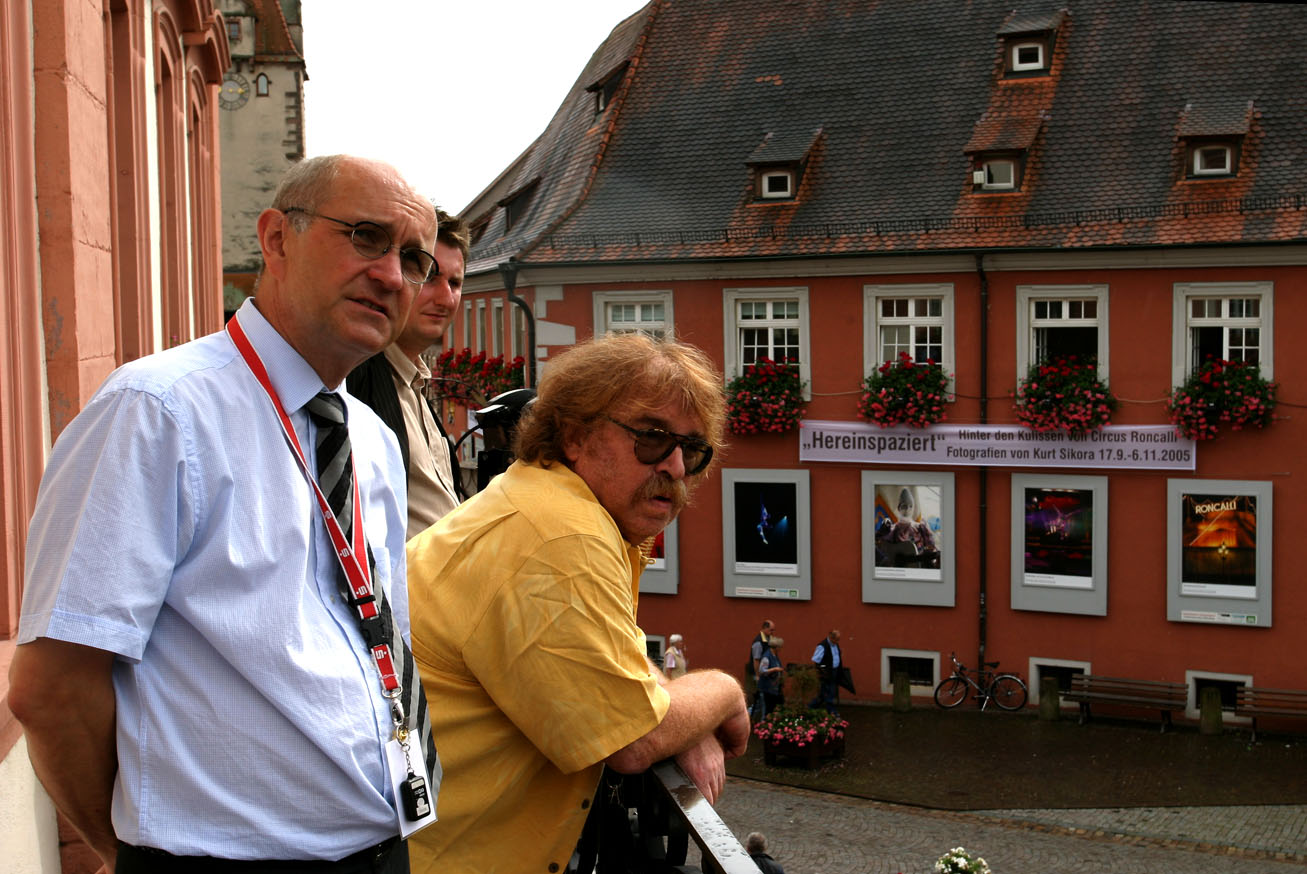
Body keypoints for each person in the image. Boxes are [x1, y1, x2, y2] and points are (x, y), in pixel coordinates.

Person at [7, 154, 441, 872]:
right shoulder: (157, 412)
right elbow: (51, 688)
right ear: (276, 240)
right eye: (366, 237)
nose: (393, 276)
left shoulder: (369, 437)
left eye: (413, 258)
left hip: (380, 844)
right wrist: (126, 852)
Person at [404, 333, 749, 873]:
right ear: (574, 435)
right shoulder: (562, 538)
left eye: (694, 449)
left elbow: (617, 664)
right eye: (653, 437)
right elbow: (634, 739)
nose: (678, 467)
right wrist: (724, 695)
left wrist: (682, 717)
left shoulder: (544, 501)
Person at [348, 208, 469, 537]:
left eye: (455, 283)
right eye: (430, 276)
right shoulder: (356, 373)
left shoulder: (415, 383)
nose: (446, 298)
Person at [810, 629, 843, 715]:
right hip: (826, 673)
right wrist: (822, 672)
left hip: (834, 671)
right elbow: (816, 660)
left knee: (824, 694)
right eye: (837, 639)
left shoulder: (835, 645)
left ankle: (811, 707)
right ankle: (831, 711)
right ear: (832, 638)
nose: (838, 641)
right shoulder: (822, 646)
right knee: (829, 692)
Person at [755, 636, 785, 717]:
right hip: (766, 688)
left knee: (772, 708)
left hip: (774, 688)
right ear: (776, 647)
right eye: (780, 647)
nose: (781, 649)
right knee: (765, 709)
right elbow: (762, 670)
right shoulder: (767, 657)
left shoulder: (775, 656)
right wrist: (775, 669)